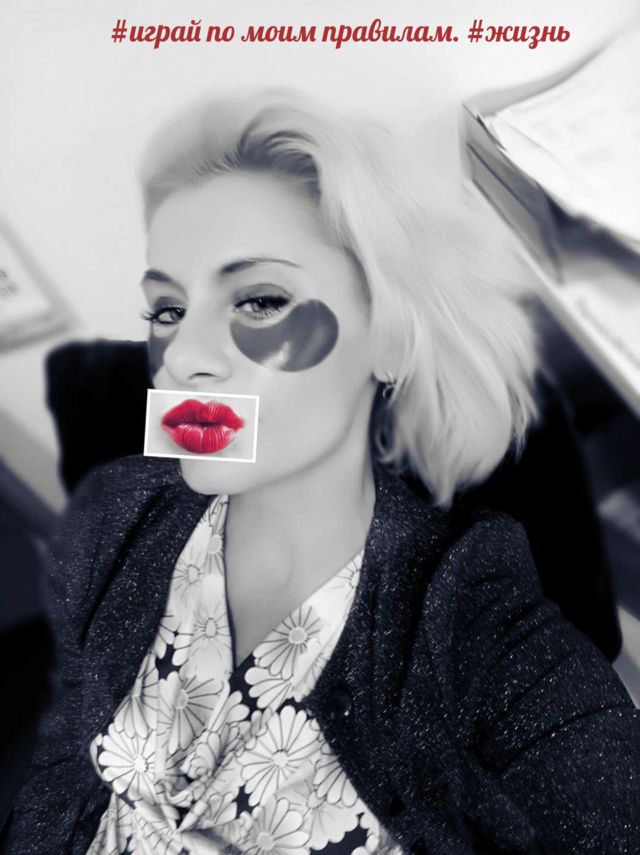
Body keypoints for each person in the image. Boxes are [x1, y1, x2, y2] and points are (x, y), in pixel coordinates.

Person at [3, 89, 639, 855]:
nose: (184, 358)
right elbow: (66, 760)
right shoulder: (116, 511)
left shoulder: (479, 634)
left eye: (260, 299)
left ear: (390, 340)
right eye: (167, 310)